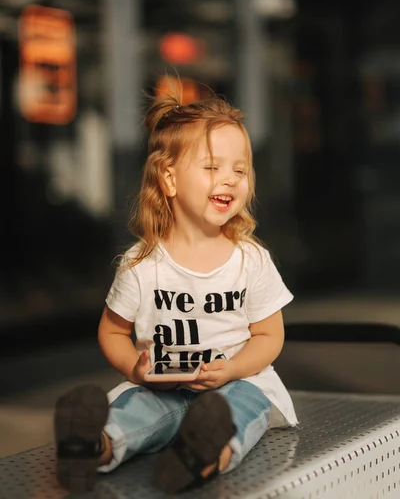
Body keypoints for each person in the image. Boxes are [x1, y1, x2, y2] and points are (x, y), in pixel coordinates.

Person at [54, 92, 298, 494]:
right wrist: (137, 369)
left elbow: (270, 336)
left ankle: (199, 457)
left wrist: (234, 369)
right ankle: (91, 447)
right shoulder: (141, 263)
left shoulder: (250, 259)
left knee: (239, 409)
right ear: (168, 178)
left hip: (236, 384)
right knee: (137, 410)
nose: (230, 179)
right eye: (211, 166)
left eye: (241, 169)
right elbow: (113, 332)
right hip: (162, 386)